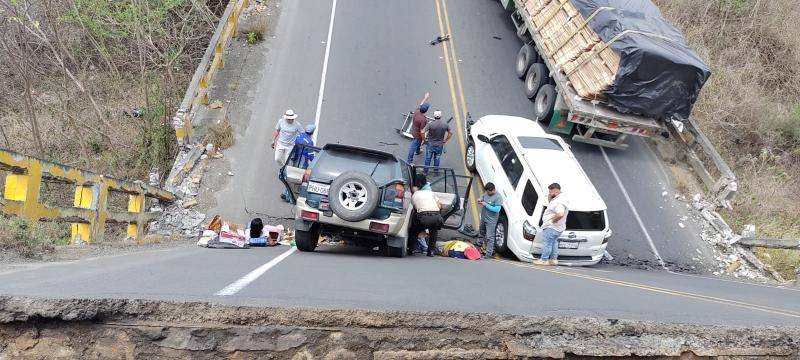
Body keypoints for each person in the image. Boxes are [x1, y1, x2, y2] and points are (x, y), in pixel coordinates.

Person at [534, 183, 569, 266]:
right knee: (554, 242)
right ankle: (553, 259)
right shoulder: (561, 198)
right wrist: (550, 196)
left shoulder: (558, 202)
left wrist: (552, 221)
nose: (549, 193)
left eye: (550, 192)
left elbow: (560, 214)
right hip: (559, 228)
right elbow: (551, 204)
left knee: (548, 243)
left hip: (552, 227)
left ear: (556, 191)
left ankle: (544, 260)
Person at [282, 124, 317, 202]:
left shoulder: (299, 136)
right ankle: (290, 197)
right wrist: (314, 163)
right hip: (303, 162)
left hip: (295, 159)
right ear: (312, 132)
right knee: (298, 179)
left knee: (290, 176)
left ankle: (285, 192)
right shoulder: (309, 142)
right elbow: (311, 155)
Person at [410, 173, 442, 257]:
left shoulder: (415, 195)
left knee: (413, 230)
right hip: (437, 217)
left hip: (424, 217)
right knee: (434, 231)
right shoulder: (431, 193)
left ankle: (412, 249)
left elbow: (415, 208)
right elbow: (439, 206)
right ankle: (431, 251)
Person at [477, 182, 503, 259]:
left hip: (491, 221)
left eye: (488, 192)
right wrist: (480, 199)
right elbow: (483, 196)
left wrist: (486, 205)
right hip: (484, 217)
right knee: (481, 231)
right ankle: (478, 245)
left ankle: (488, 254)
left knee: (489, 237)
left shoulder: (498, 197)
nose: (487, 193)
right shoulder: (486, 193)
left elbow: (497, 209)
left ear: (493, 190)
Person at [407, 93, 430, 164]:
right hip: (417, 135)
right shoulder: (423, 120)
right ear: (426, 111)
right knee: (413, 147)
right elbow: (422, 131)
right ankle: (409, 161)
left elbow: (421, 104)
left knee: (418, 144)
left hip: (413, 130)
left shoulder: (417, 111)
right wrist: (424, 139)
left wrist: (425, 98)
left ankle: (418, 151)